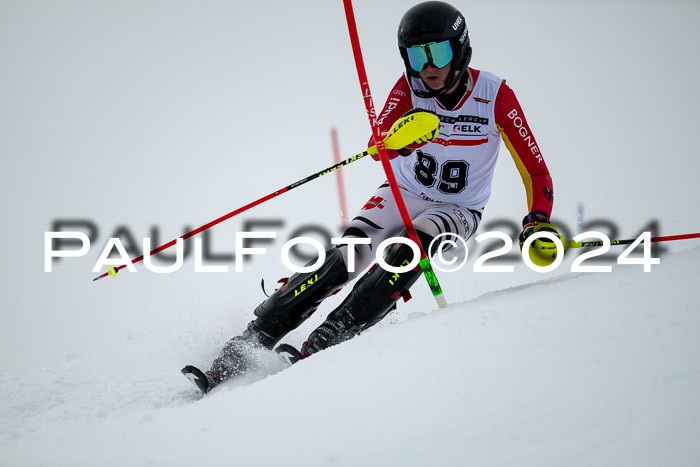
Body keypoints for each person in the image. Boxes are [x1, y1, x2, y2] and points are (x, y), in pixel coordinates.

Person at [182, 0, 558, 393]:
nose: (428, 67)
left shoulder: (495, 95)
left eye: (439, 52)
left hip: (458, 207)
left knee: (410, 247)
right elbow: (381, 138)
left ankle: (334, 332)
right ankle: (249, 342)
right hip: (404, 191)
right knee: (346, 254)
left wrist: (537, 219)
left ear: (460, 50)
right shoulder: (410, 87)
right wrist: (392, 144)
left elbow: (536, 171)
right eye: (417, 55)